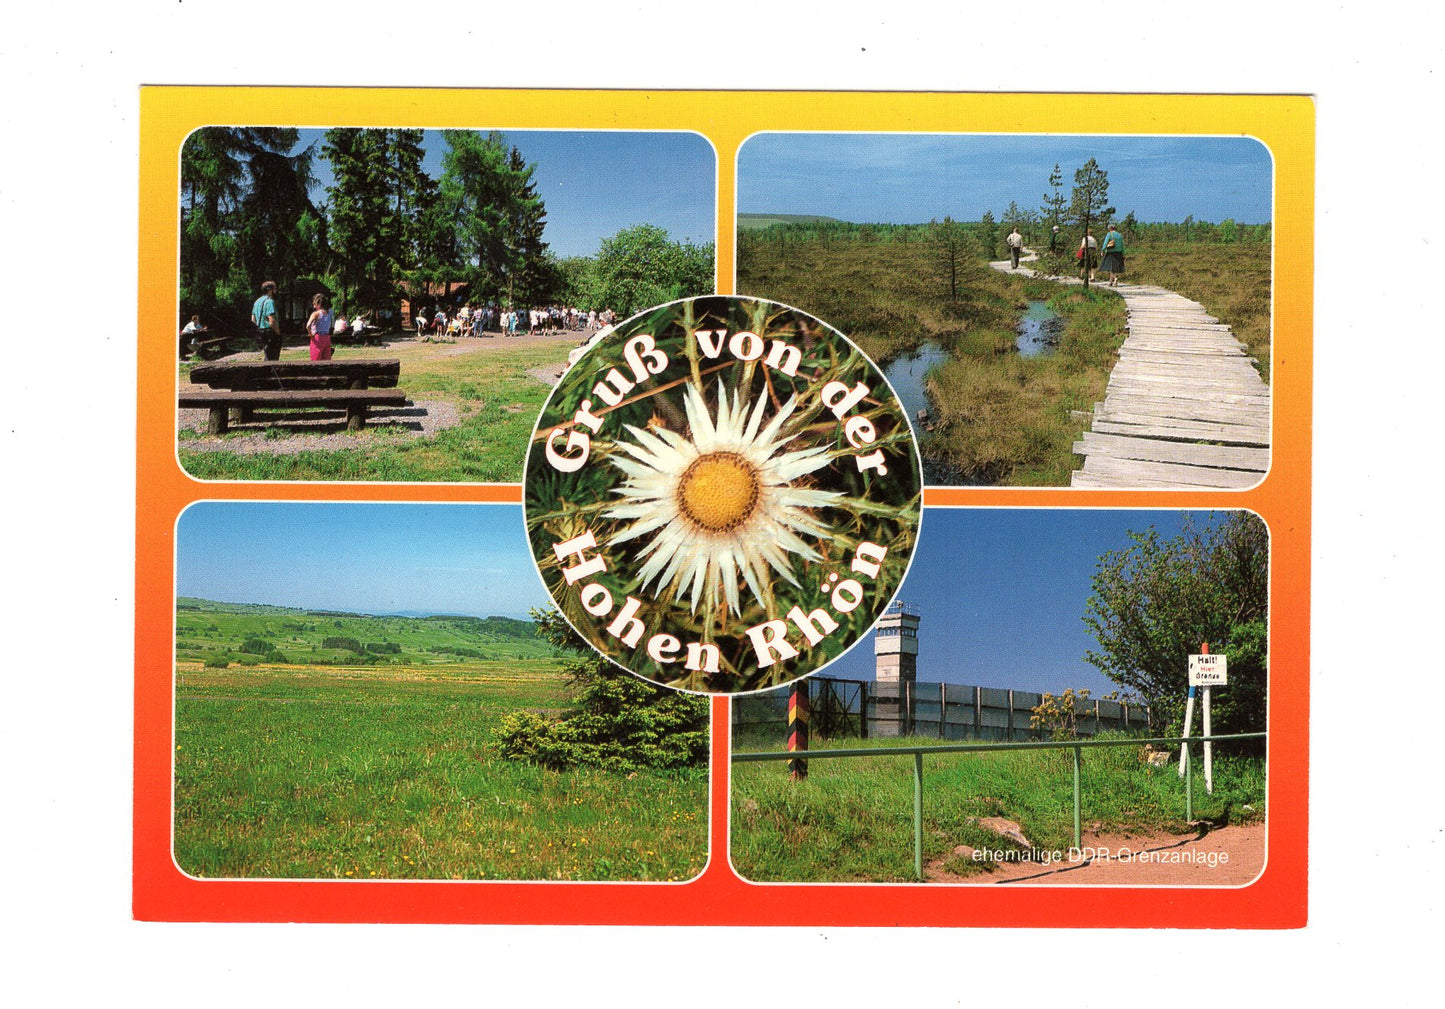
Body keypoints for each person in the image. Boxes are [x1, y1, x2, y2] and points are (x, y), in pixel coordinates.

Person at [306, 294, 333, 361]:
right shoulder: (329, 314)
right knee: (326, 361)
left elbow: (308, 325)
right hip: (327, 337)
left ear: (318, 303)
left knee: (315, 361)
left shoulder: (316, 314)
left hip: (317, 338)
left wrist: (311, 334)